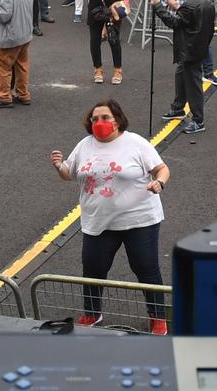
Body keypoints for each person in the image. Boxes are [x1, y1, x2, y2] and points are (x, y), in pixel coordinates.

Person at [50, 100, 169, 333]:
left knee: (146, 268)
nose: (99, 123)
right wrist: (58, 166)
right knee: (93, 268)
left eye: (105, 118)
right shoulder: (85, 145)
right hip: (99, 222)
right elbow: (69, 173)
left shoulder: (136, 143)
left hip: (138, 220)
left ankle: (158, 317)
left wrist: (159, 183)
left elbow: (161, 169)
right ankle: (92, 314)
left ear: (117, 120)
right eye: (95, 119)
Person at [155, 0, 217, 132]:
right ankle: (178, 107)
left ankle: (198, 120)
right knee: (181, 75)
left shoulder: (189, 5)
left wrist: (158, 7)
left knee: (193, 85)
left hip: (190, 50)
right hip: (198, 48)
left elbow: (174, 22)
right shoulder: (206, 1)